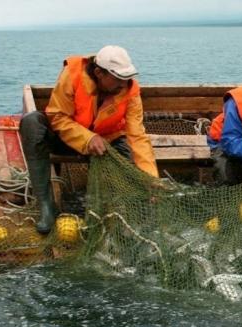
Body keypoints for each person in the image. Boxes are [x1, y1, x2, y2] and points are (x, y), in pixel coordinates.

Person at [19, 45, 159, 234]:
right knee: (31, 122)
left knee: (133, 175)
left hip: (108, 143)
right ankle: (46, 207)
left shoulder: (130, 90)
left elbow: (137, 136)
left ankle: (127, 219)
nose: (123, 85)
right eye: (118, 79)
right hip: (66, 140)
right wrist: (88, 138)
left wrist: (150, 178)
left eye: (127, 79)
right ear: (99, 72)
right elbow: (57, 116)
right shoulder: (73, 74)